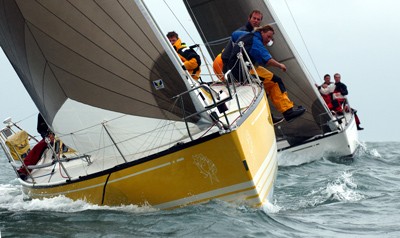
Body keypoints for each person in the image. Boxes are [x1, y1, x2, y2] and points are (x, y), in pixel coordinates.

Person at [225, 25, 306, 122]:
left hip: (239, 67)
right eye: (268, 36)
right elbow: (267, 59)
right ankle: (288, 112)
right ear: (262, 32)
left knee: (267, 84)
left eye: (271, 38)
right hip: (242, 70)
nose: (269, 40)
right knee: (275, 82)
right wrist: (280, 65)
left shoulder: (248, 35)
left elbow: (234, 35)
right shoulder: (256, 40)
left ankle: (269, 114)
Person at [213, 10, 263, 81]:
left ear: (260, 21)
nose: (256, 21)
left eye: (258, 19)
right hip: (224, 63)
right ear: (249, 18)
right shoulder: (245, 32)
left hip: (225, 61)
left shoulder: (253, 33)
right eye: (254, 18)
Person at [17, 114, 54, 180]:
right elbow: (40, 129)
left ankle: (24, 170)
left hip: (63, 135)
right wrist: (46, 136)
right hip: (49, 137)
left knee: (39, 147)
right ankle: (24, 170)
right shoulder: (41, 113)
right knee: (36, 149)